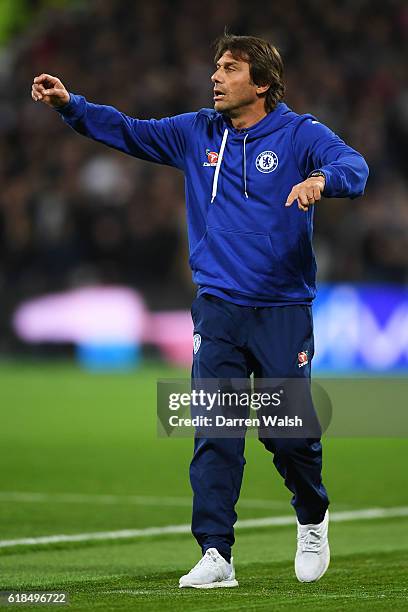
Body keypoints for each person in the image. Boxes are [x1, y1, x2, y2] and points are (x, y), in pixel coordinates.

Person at [31, 33, 369, 588]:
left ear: (261, 83)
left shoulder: (300, 134)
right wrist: (72, 107)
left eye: (230, 68)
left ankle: (312, 517)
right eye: (216, 67)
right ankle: (217, 553)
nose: (216, 76)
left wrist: (320, 181)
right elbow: (130, 132)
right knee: (216, 429)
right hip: (217, 308)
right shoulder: (196, 132)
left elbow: (352, 164)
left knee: (287, 437)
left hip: (282, 308)